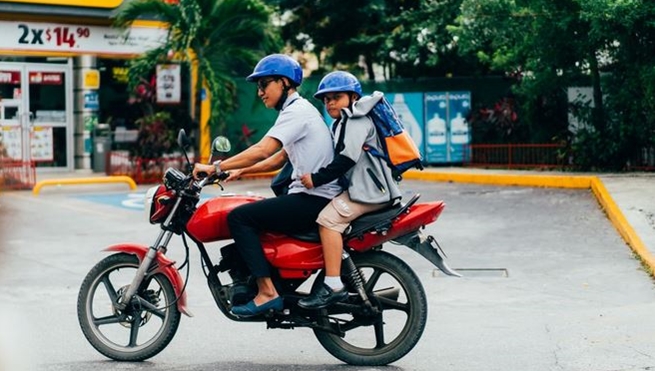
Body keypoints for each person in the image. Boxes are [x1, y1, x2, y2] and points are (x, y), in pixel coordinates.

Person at [192, 54, 341, 317]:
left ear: (284, 82)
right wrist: (240, 170)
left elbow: (264, 149)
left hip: (314, 199)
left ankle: (267, 292)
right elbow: (280, 158)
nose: (260, 92)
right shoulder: (298, 110)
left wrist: (216, 167)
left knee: (240, 218)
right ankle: (259, 281)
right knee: (253, 213)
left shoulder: (297, 111)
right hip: (312, 196)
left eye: (264, 84)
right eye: (258, 87)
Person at [297, 71, 402, 309]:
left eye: (337, 96)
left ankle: (333, 284)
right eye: (326, 99)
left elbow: (346, 159)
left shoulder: (356, 120)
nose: (330, 102)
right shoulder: (343, 121)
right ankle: (347, 276)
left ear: (353, 97)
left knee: (328, 221)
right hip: (365, 189)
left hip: (372, 192)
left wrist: (316, 179)